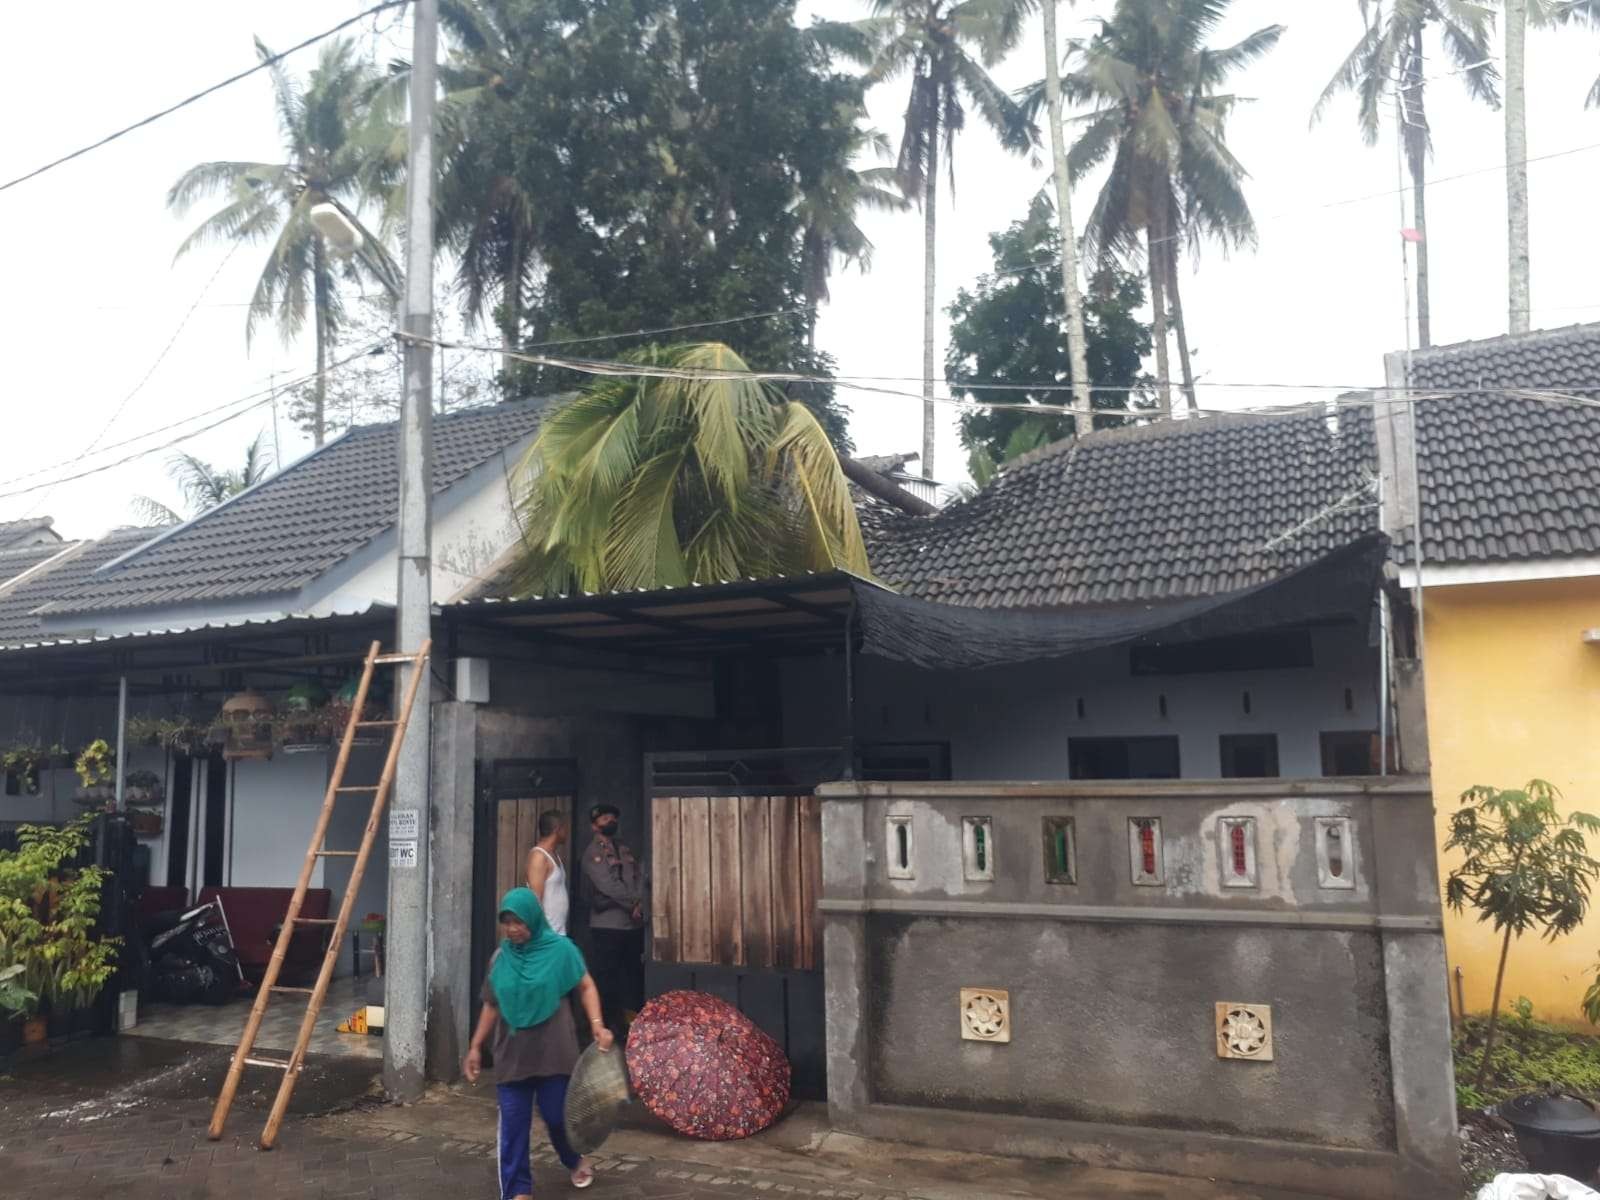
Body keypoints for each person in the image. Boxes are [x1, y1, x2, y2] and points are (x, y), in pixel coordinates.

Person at [464, 888, 614, 1200]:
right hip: (512, 1055)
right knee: (513, 1127)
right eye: (506, 922)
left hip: (554, 1052)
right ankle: (519, 1190)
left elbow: (585, 986)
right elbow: (491, 1005)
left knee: (558, 1117)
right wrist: (476, 1046)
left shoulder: (561, 951)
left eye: (518, 921)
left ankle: (573, 1158)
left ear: (533, 919)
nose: (512, 929)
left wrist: (598, 1025)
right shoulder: (501, 958)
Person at [580, 804, 645, 1037]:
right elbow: (607, 885)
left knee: (632, 978)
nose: (610, 820)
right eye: (604, 817)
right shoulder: (593, 853)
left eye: (612, 817)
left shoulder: (625, 848)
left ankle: (631, 1027)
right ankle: (604, 1028)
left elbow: (637, 877)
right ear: (593, 825)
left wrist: (640, 902)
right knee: (607, 980)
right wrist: (632, 904)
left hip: (631, 926)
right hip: (606, 927)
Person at [525, 810, 570, 936]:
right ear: (557, 829)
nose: (567, 832)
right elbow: (535, 900)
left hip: (558, 932)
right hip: (546, 935)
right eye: (565, 828)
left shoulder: (554, 855)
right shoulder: (539, 857)